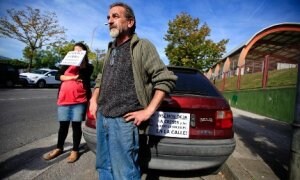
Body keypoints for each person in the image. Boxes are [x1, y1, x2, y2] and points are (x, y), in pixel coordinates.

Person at [89, 2, 177, 180]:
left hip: (124, 122)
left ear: (130, 22)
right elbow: (101, 78)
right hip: (103, 117)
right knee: (103, 166)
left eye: (115, 16)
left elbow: (165, 79)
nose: (110, 21)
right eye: (108, 17)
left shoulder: (142, 46)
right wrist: (93, 99)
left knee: (124, 172)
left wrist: (148, 111)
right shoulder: (110, 48)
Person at [43, 42, 93, 163]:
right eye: (74, 51)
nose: (76, 53)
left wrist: (81, 63)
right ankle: (59, 148)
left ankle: (75, 150)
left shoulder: (88, 66)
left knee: (76, 126)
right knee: (63, 126)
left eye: (79, 52)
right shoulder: (66, 64)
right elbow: (57, 76)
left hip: (79, 100)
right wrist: (71, 78)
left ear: (84, 53)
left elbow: (85, 75)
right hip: (64, 99)